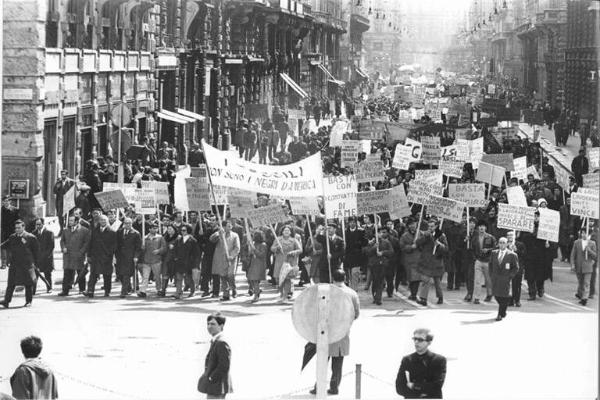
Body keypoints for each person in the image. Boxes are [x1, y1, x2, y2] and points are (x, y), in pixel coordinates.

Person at [309, 270, 359, 395]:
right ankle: (334, 386)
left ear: (332, 278)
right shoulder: (352, 293)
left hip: (325, 330)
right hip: (342, 332)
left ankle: (318, 386)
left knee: (322, 361)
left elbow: (316, 310)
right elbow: (356, 314)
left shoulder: (325, 292)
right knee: (338, 363)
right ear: (345, 278)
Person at [396, 328, 447, 399]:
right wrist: (419, 394)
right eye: (415, 339)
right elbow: (399, 387)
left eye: (420, 340)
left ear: (429, 342)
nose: (416, 342)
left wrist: (414, 386)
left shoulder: (438, 360)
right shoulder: (407, 360)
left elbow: (437, 386)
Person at [0, 220, 39, 308]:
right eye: (16, 228)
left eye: (19, 228)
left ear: (23, 227)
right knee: (11, 283)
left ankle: (28, 301)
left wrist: (35, 264)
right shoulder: (12, 237)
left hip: (26, 264)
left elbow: (36, 252)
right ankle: (6, 301)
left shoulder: (30, 237)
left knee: (28, 283)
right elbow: (4, 245)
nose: (17, 230)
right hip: (14, 264)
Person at [198, 313, 232, 399]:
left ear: (221, 326)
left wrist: (212, 378)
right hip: (216, 385)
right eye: (208, 324)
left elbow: (224, 365)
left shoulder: (221, 342)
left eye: (213, 324)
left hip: (217, 385)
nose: (209, 326)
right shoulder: (216, 340)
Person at [416, 219, 448, 306]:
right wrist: (424, 236)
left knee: (437, 282)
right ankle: (423, 299)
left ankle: (440, 297)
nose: (430, 228)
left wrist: (439, 244)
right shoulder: (426, 234)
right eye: (429, 226)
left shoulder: (441, 235)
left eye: (432, 226)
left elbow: (446, 249)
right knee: (425, 280)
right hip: (427, 262)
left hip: (437, 262)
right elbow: (417, 243)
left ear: (436, 226)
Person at [85, 214, 117, 298]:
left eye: (104, 220)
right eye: (101, 220)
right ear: (99, 221)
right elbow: (90, 243)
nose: (103, 221)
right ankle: (90, 290)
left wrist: (109, 253)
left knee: (107, 275)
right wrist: (88, 255)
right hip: (95, 256)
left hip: (106, 257)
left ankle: (107, 291)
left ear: (107, 221)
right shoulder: (94, 231)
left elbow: (114, 245)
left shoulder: (112, 232)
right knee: (93, 275)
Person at [58, 215, 91, 296]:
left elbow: (86, 243)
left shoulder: (84, 230)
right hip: (68, 255)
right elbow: (62, 241)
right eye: (69, 220)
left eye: (71, 221)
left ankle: (82, 289)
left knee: (80, 272)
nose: (69, 222)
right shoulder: (65, 230)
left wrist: (81, 252)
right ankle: (65, 290)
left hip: (78, 255)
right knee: (67, 273)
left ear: (77, 221)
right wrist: (63, 248)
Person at [490, 237, 519, 321]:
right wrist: (491, 275)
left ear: (507, 244)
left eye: (503, 242)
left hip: (505, 278)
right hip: (496, 278)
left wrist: (510, 276)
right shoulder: (494, 253)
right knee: (496, 295)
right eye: (500, 242)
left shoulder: (512, 255)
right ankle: (503, 309)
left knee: (504, 296)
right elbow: (490, 265)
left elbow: (516, 268)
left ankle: (500, 313)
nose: (502, 244)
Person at [210, 221, 240, 301]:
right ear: (223, 227)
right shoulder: (220, 234)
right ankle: (226, 295)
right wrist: (218, 233)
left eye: (230, 226)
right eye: (228, 226)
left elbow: (237, 247)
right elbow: (211, 239)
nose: (230, 227)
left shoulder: (235, 235)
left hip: (231, 259)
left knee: (230, 275)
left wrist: (232, 256)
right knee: (223, 276)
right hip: (221, 259)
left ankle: (233, 289)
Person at [271, 225, 302, 302]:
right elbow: (272, 248)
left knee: (287, 279)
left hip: (289, 262)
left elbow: (300, 250)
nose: (286, 232)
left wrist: (293, 252)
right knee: (279, 279)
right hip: (279, 261)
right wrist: (276, 248)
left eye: (288, 230)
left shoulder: (294, 240)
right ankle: (281, 294)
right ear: (282, 231)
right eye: (285, 230)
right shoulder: (278, 239)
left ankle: (285, 296)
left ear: (291, 232)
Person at [470, 220, 496, 304]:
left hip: (488, 261)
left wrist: (488, 250)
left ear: (486, 228)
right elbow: (472, 249)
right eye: (480, 226)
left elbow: (495, 249)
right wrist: (475, 258)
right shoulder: (475, 238)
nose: (481, 228)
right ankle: (477, 297)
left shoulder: (490, 237)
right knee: (477, 280)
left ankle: (489, 294)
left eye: (483, 226)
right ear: (478, 228)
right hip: (478, 261)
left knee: (488, 280)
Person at [115, 218, 142, 298]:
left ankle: (123, 292)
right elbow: (116, 243)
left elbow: (138, 247)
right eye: (126, 223)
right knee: (120, 274)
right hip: (120, 256)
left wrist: (136, 256)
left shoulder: (136, 233)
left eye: (129, 223)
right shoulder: (119, 232)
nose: (128, 225)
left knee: (126, 274)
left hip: (130, 257)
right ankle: (128, 288)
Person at [571, 227, 597, 306]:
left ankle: (585, 298)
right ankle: (582, 295)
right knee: (581, 282)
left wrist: (589, 250)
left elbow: (595, 256)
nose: (583, 234)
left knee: (586, 283)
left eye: (585, 233)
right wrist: (572, 264)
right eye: (582, 233)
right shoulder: (577, 242)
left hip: (588, 266)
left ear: (588, 234)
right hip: (579, 266)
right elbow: (573, 254)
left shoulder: (592, 243)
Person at [172, 224, 200, 299]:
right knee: (178, 277)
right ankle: (178, 292)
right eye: (181, 230)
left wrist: (195, 263)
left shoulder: (193, 240)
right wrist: (175, 257)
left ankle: (192, 290)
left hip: (189, 262)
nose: (182, 232)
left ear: (188, 231)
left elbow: (196, 253)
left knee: (189, 278)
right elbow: (175, 249)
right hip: (180, 261)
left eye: (184, 230)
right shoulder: (178, 240)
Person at [139, 221, 166, 298]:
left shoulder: (160, 237)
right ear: (149, 229)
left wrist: (159, 251)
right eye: (154, 228)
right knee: (145, 277)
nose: (155, 230)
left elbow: (164, 248)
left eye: (156, 228)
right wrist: (142, 247)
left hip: (156, 260)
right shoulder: (144, 238)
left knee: (157, 276)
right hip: (146, 260)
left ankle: (159, 290)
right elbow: (141, 250)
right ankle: (143, 291)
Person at [400, 218, 421, 300]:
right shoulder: (404, 236)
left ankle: (414, 294)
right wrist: (411, 247)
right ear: (408, 226)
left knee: (417, 278)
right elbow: (402, 247)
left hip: (419, 259)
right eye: (411, 224)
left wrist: (419, 244)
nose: (413, 226)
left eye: (414, 224)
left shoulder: (420, 234)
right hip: (409, 260)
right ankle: (413, 293)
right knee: (411, 278)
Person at [32, 218, 54, 294]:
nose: (37, 226)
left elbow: (51, 246)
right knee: (35, 275)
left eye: (39, 224)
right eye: (36, 224)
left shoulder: (49, 233)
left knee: (47, 274)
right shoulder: (33, 234)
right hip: (37, 258)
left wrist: (45, 255)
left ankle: (49, 288)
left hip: (46, 258)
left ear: (43, 224)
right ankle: (33, 290)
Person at [506, 231, 526, 307]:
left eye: (511, 235)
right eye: (508, 235)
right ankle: (509, 300)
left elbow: (524, 255)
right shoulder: (503, 244)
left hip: (517, 267)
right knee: (507, 285)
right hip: (507, 267)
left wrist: (516, 250)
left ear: (515, 236)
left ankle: (517, 300)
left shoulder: (520, 244)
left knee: (517, 284)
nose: (510, 237)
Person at [247, 231, 267, 302]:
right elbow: (250, 254)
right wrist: (250, 249)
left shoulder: (263, 245)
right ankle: (257, 291)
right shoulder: (254, 244)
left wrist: (254, 250)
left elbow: (262, 255)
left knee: (255, 280)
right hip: (253, 264)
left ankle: (256, 295)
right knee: (252, 280)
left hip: (259, 264)